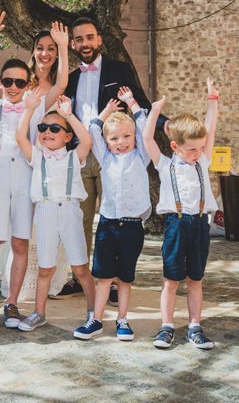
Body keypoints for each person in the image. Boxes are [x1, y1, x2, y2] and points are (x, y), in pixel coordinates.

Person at [0, 10, 69, 334]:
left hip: (27, 175)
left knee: (20, 244)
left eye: (20, 82)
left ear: (28, 83)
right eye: (8, 81)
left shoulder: (37, 105)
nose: (14, 86)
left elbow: (63, 82)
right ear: (0, 83)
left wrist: (63, 47)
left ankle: (12, 302)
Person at [59, 16, 167, 301]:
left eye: (90, 37)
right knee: (79, 220)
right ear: (73, 44)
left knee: (117, 219)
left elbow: (141, 101)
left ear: (99, 40)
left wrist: (164, 123)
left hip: (113, 156)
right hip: (81, 156)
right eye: (79, 39)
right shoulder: (69, 79)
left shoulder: (119, 69)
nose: (85, 43)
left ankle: (117, 283)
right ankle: (78, 278)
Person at [143, 79, 219, 350]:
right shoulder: (165, 165)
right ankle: (166, 326)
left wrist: (212, 101)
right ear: (175, 146)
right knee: (171, 280)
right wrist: (154, 111)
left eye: (200, 148)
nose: (197, 153)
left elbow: (209, 130)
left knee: (196, 279)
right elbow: (147, 138)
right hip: (175, 224)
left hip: (199, 224)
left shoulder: (203, 159)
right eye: (191, 149)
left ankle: (195, 325)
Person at [73, 87, 150, 341]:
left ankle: (123, 320)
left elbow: (145, 128)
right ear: (106, 142)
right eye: (115, 138)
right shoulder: (105, 158)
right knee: (104, 277)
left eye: (127, 136)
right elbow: (93, 128)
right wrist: (106, 111)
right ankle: (95, 319)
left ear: (135, 138)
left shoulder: (141, 157)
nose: (121, 142)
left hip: (132, 227)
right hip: (108, 225)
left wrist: (133, 104)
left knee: (125, 278)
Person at [15, 92, 96, 333]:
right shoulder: (37, 157)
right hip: (46, 211)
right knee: (45, 267)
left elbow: (87, 141)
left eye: (54, 128)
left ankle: (93, 312)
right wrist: (29, 110)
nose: (47, 131)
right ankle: (39, 312)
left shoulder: (74, 157)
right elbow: (20, 137)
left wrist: (68, 115)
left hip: (70, 211)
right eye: (43, 127)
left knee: (80, 267)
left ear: (67, 136)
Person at [3, 23, 71, 301]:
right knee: (20, 229)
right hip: (19, 159)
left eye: (51, 49)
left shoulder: (54, 88)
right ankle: (17, 285)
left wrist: (64, 46)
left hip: (47, 164)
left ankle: (48, 281)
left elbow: (63, 82)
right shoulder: (20, 82)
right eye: (40, 48)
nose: (45, 53)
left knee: (44, 225)